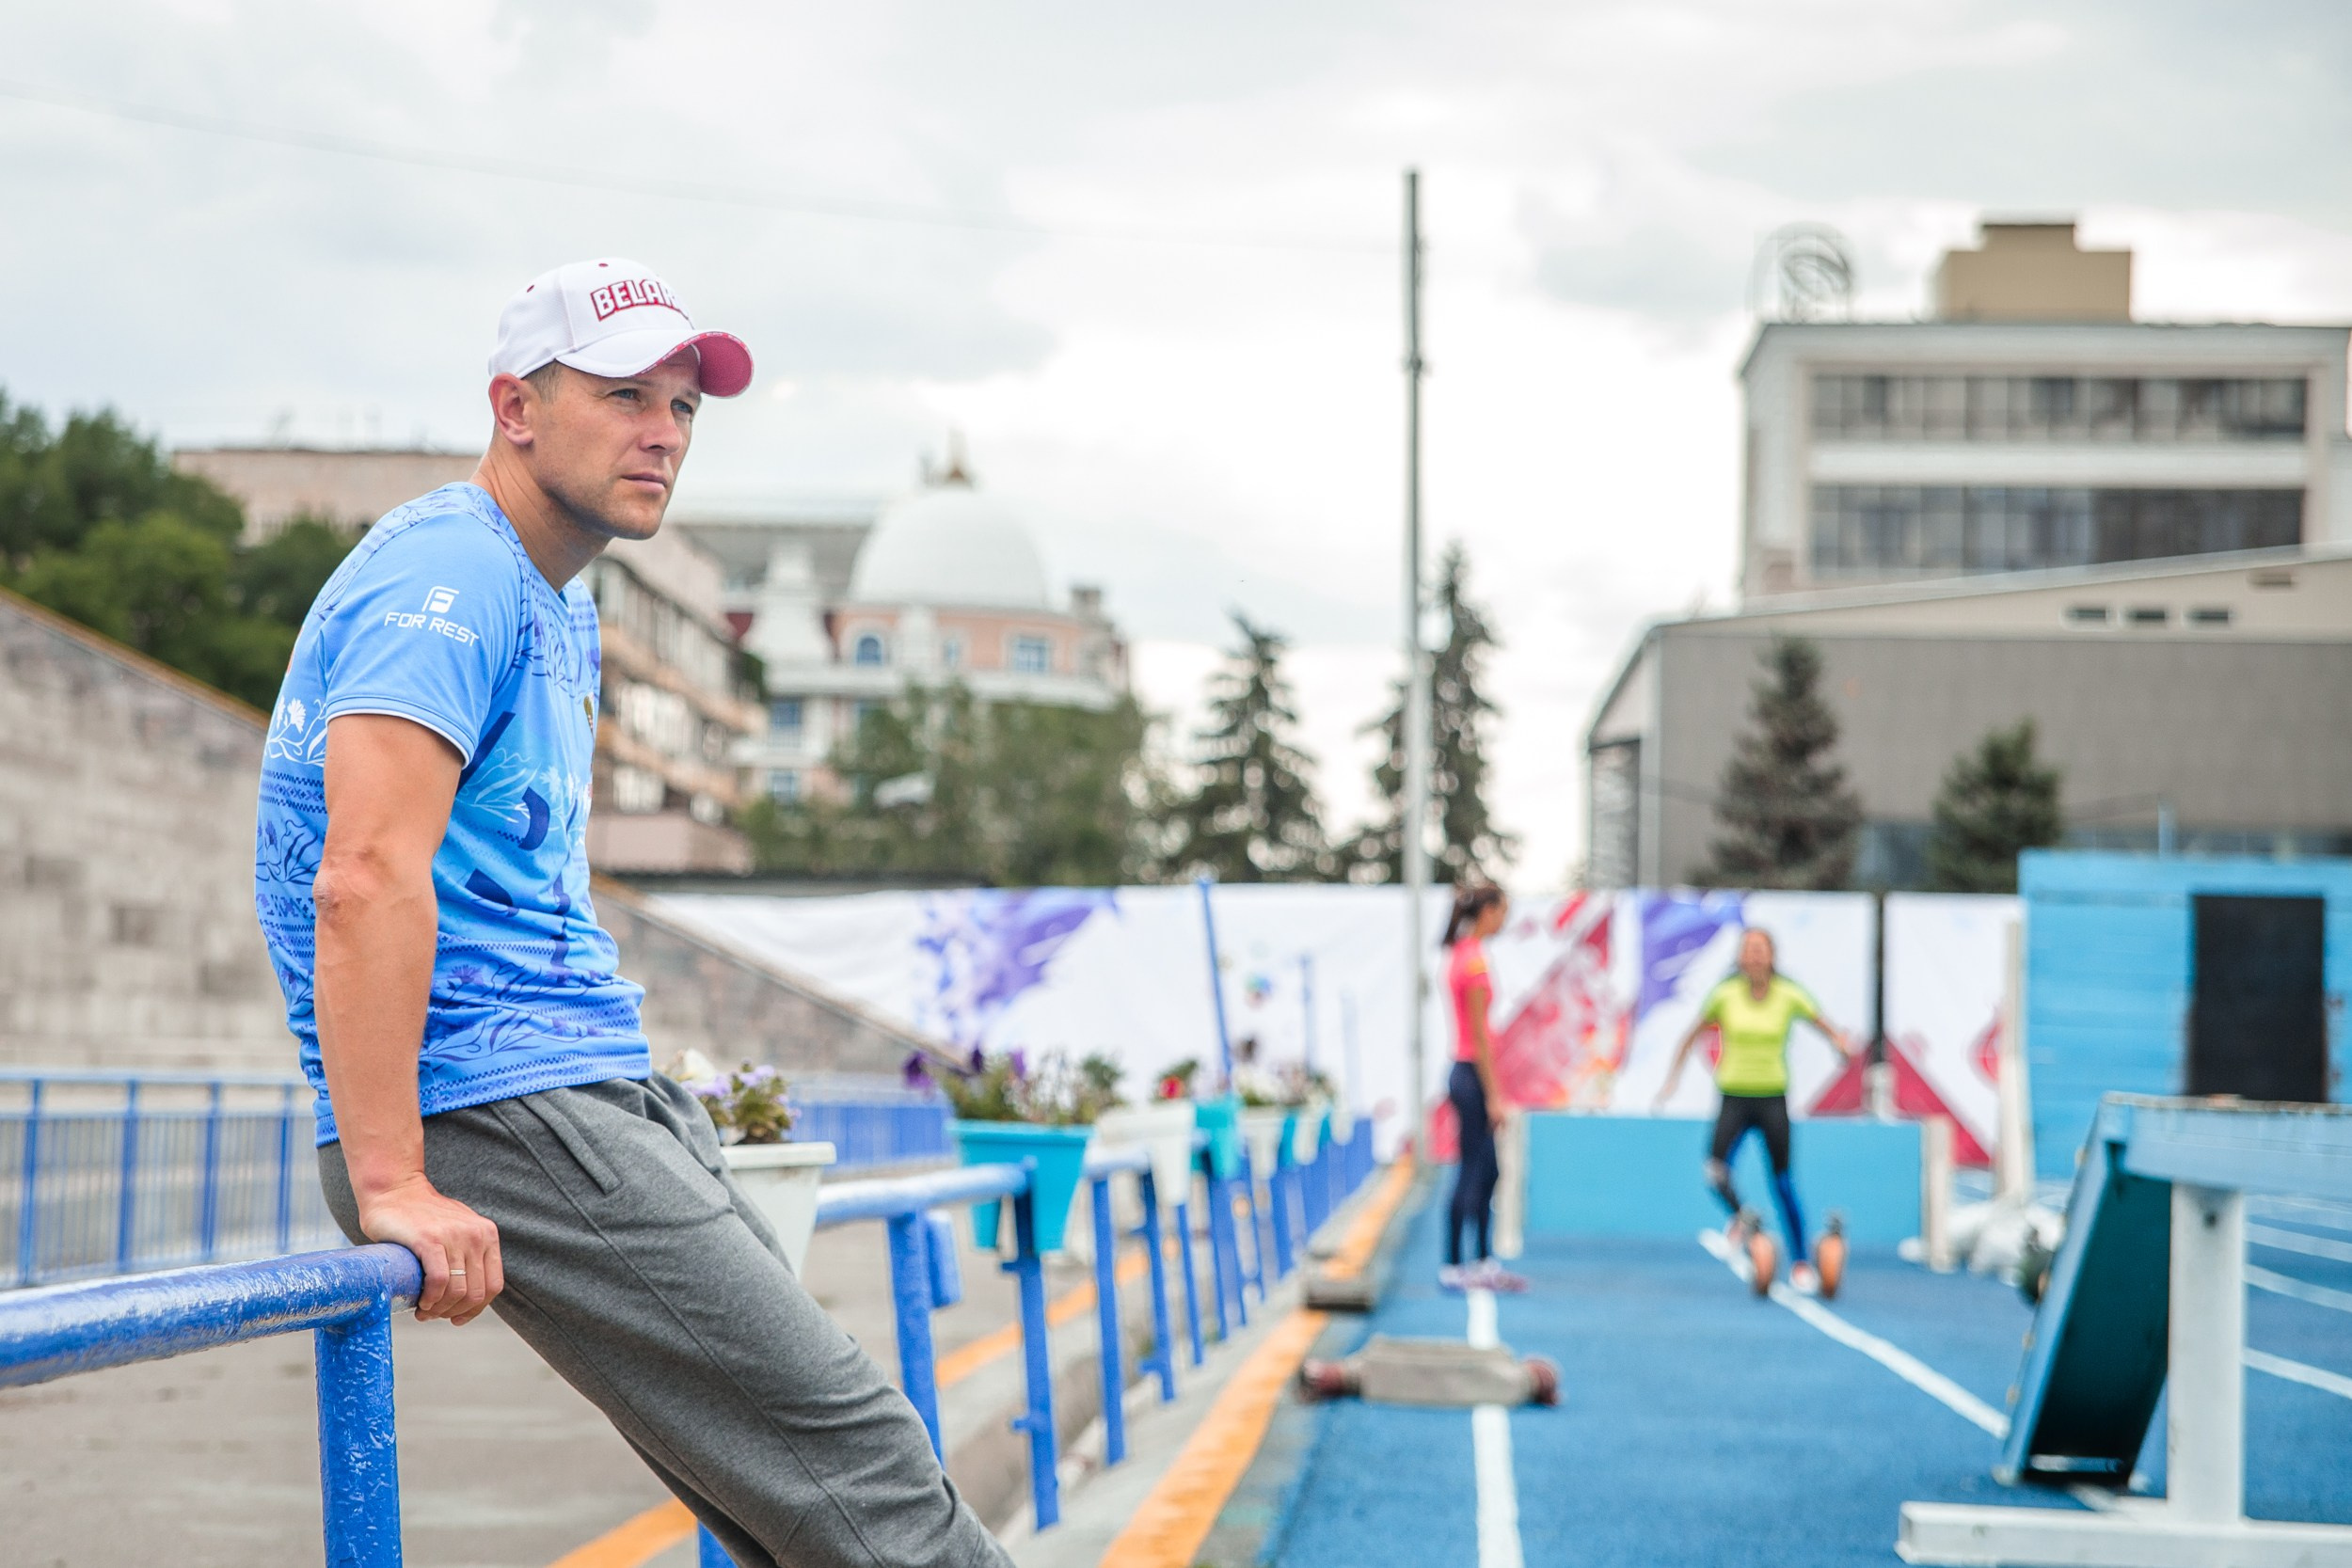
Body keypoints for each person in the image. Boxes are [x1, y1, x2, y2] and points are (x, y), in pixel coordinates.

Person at [252, 259, 1009, 1568]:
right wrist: (389, 1177)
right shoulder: (449, 572)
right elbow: (365, 871)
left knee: (795, 1510)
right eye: (622, 395)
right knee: (864, 1468)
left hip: (579, 1079)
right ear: (516, 406)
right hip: (499, 1096)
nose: (662, 429)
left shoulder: (560, 597)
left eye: (683, 404)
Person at [1656, 926, 1858, 1295]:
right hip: (1734, 1097)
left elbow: (1825, 1026)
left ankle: (1799, 1262)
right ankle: (1743, 1217)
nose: (1754, 955)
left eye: (1760, 949)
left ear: (1772, 956)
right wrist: (1672, 1079)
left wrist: (1840, 1046)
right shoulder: (1726, 994)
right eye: (1747, 949)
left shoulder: (1789, 994)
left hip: (1772, 1099)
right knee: (1715, 1172)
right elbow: (1690, 1035)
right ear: (1739, 957)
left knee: (1782, 1183)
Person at [1439, 883, 1526, 1292]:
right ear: (1488, 911)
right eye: (1503, 911)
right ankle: (1455, 1261)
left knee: (1489, 1169)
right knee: (1473, 1168)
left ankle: (1482, 1258)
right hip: (1472, 1074)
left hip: (1472, 1072)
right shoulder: (1472, 961)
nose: (1505, 920)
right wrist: (1495, 1095)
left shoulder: (1464, 954)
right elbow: (1477, 1034)